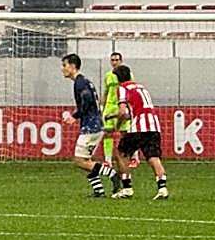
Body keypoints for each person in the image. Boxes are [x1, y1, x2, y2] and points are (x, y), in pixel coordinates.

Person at [60, 54, 120, 197]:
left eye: (64, 65)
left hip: (91, 126)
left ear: (73, 66)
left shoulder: (80, 83)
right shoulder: (84, 81)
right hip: (95, 124)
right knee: (86, 160)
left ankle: (112, 174)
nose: (63, 69)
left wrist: (73, 116)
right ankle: (98, 191)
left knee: (80, 161)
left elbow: (86, 100)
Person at [109, 65, 169, 200]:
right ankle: (162, 188)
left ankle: (127, 188)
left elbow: (123, 112)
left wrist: (117, 125)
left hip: (138, 127)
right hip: (153, 125)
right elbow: (136, 109)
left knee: (121, 153)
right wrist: (113, 116)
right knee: (153, 157)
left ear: (118, 78)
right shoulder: (141, 87)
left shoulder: (122, 88)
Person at [102, 52, 135, 167]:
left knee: (125, 133)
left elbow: (131, 89)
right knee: (107, 133)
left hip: (122, 105)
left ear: (121, 61)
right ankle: (108, 160)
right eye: (112, 60)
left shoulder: (127, 74)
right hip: (110, 106)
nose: (114, 62)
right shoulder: (108, 75)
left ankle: (132, 157)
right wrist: (103, 106)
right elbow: (106, 92)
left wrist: (129, 106)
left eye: (116, 60)